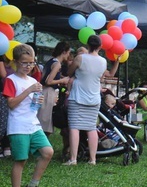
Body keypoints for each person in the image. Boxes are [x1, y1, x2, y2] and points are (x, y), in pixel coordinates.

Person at [2, 43, 54, 187]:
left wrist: (38, 100)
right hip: (18, 126)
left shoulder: (32, 80)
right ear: (16, 62)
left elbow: (33, 104)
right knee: (21, 161)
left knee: (48, 152)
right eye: (25, 62)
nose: (28, 66)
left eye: (31, 63)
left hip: (33, 124)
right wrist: (29, 91)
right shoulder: (11, 80)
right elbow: (11, 104)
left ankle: (33, 185)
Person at [65, 35, 108, 166]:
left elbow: (69, 72)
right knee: (91, 128)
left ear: (87, 45)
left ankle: (73, 159)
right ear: (100, 46)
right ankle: (93, 159)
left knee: (74, 127)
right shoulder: (103, 61)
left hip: (78, 96)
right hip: (94, 97)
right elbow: (100, 77)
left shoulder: (80, 58)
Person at [38, 41, 71, 136]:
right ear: (64, 51)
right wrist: (62, 80)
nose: (68, 55)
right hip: (49, 93)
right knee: (45, 122)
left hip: (43, 91)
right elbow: (49, 81)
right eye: (68, 52)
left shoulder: (50, 61)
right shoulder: (57, 64)